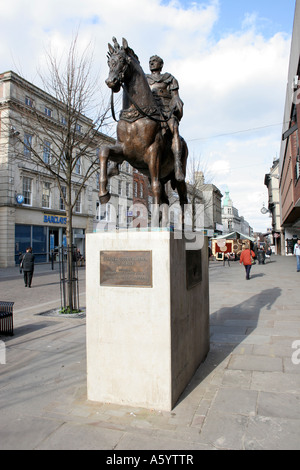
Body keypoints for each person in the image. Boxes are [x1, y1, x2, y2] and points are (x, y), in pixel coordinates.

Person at [146, 55, 184, 182]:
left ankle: (177, 163)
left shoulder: (169, 78)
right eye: (150, 61)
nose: (151, 63)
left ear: (161, 65)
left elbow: (175, 96)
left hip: (166, 109)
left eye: (154, 61)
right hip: (150, 111)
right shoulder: (145, 79)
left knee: (174, 128)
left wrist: (176, 105)